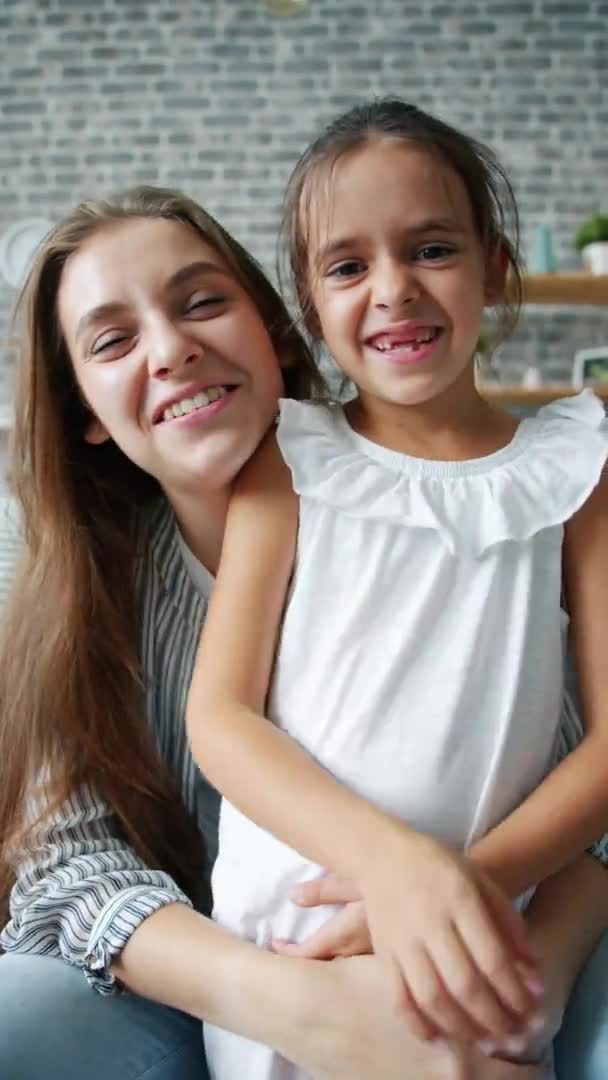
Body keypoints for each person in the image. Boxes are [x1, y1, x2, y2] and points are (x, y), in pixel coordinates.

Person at [0, 183, 499, 1080]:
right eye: (113, 341)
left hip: (457, 958)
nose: (173, 349)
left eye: (202, 303)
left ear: (273, 330)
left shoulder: (439, 514)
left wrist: (459, 917)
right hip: (193, 991)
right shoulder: (82, 594)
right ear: (83, 413)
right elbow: (64, 862)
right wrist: (300, 1009)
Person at [187, 100, 608, 1080]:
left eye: (429, 249)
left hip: (478, 919)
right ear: (308, 301)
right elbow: (220, 719)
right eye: (346, 266)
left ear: (492, 269)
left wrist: (457, 888)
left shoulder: (574, 465)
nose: (391, 291)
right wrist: (391, 869)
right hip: (298, 933)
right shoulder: (289, 460)